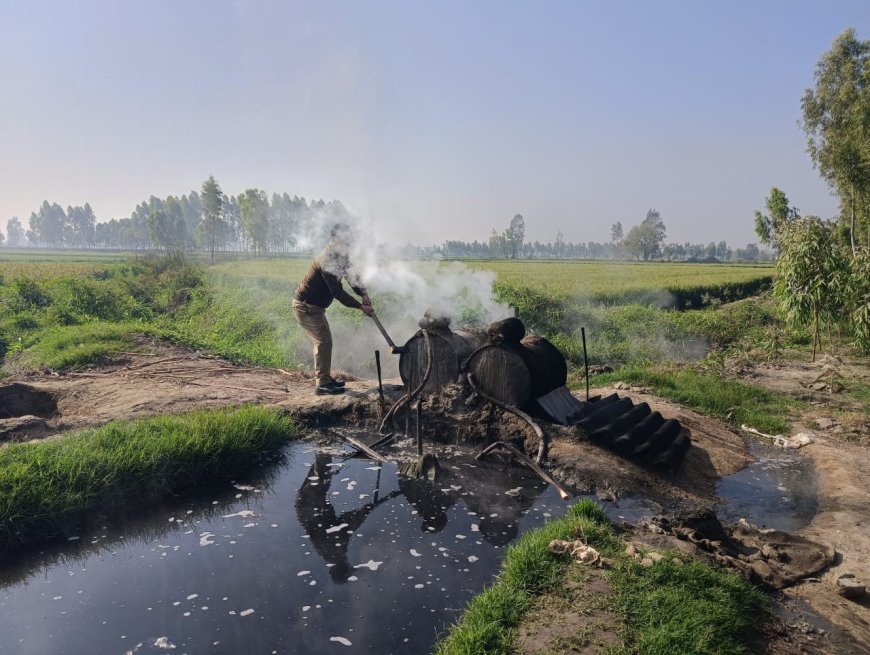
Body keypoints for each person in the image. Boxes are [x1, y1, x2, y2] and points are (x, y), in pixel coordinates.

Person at [293, 223, 374, 395]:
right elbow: (337, 292)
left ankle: (326, 379)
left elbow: (352, 276)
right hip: (306, 306)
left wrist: (364, 294)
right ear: (336, 240)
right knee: (323, 342)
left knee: (325, 341)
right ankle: (322, 384)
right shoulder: (327, 259)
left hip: (315, 307)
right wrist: (360, 307)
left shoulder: (341, 256)